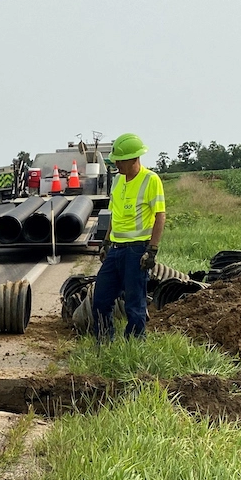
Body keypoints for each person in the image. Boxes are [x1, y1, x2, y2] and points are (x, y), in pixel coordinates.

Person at [93, 133, 165, 341]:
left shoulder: (151, 180)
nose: (117, 164)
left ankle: (134, 345)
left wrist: (152, 250)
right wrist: (106, 243)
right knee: (101, 299)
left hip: (137, 250)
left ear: (134, 159)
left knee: (135, 303)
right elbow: (114, 215)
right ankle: (105, 342)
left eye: (120, 161)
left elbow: (160, 215)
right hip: (116, 249)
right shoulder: (116, 180)